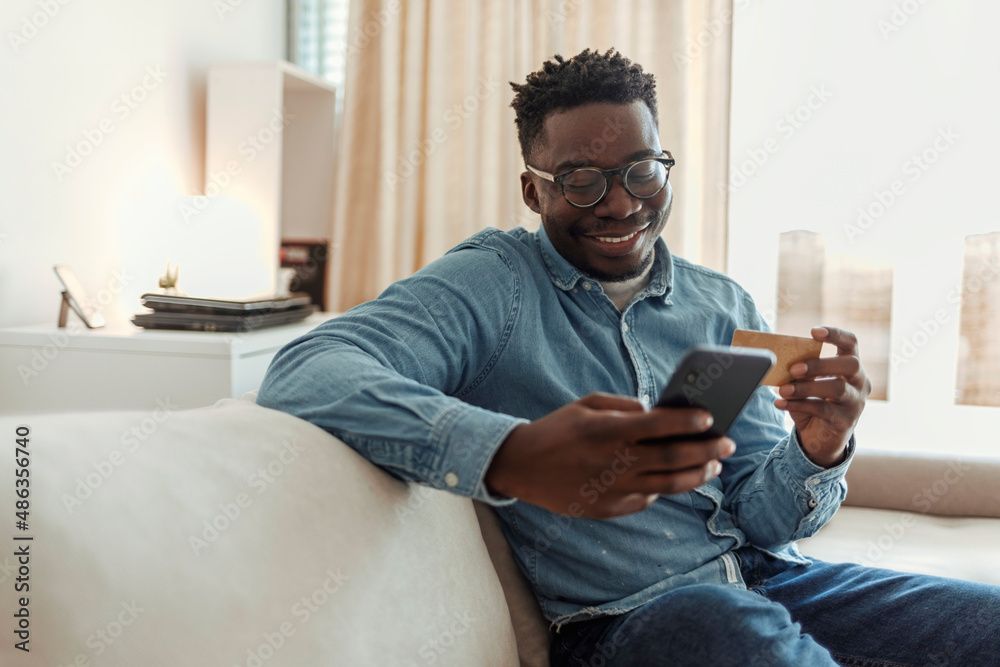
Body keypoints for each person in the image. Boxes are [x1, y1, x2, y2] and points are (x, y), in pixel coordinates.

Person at [256, 48, 999, 666]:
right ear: (532, 189)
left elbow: (767, 520)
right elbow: (307, 368)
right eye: (581, 179)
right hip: (625, 624)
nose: (620, 203)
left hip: (769, 582)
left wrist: (820, 444)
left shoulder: (721, 305)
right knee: (718, 626)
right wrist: (510, 452)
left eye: (642, 170)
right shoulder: (492, 285)